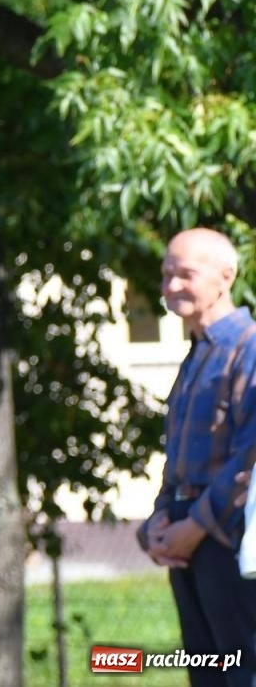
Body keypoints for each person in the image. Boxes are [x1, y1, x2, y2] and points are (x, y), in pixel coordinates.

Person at [138, 227, 256, 687]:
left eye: (185, 274)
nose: (170, 286)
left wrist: (196, 525)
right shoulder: (197, 355)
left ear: (226, 276)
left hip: (229, 536)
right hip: (190, 537)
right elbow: (179, 458)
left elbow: (250, 456)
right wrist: (160, 519)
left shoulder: (248, 348)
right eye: (166, 274)